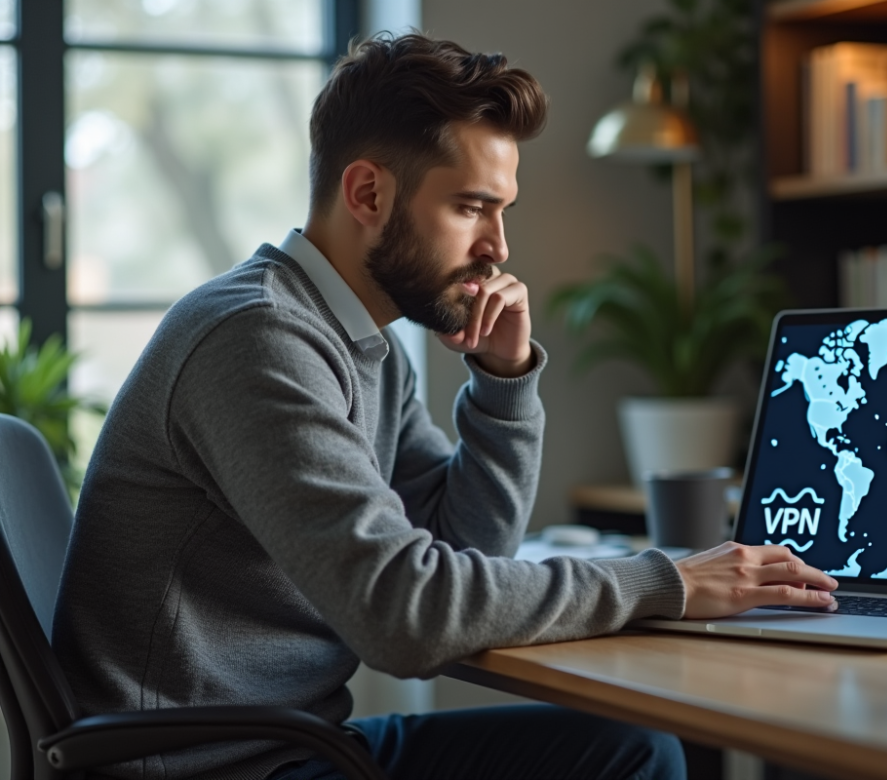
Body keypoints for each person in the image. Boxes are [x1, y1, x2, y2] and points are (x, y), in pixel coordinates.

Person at [52, 33, 839, 780]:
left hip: (291, 740)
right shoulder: (257, 339)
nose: (498, 245)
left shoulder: (366, 345)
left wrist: (504, 382)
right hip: (219, 764)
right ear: (367, 191)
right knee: (632, 755)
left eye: (503, 211)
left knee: (629, 748)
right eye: (471, 207)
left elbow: (467, 547)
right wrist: (662, 580)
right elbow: (407, 616)